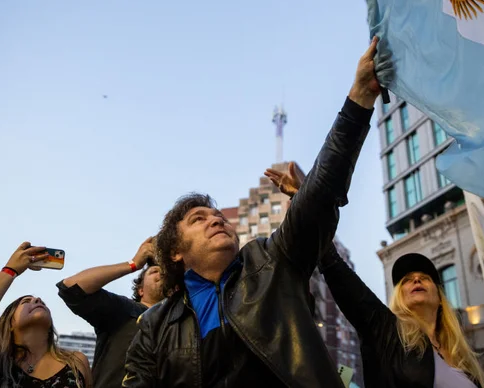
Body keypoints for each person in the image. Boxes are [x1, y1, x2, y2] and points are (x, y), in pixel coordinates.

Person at [123, 37, 381, 387]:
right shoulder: (155, 325)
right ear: (175, 251)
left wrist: (359, 100)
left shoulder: (272, 262)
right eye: (198, 219)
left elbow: (319, 198)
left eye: (219, 217)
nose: (216, 219)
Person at [267, 166, 484, 388]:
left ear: (440, 298)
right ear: (399, 296)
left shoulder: (464, 360)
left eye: (425, 277)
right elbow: (335, 268)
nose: (417, 280)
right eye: (407, 280)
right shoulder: (386, 332)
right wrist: (307, 205)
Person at [0, 242, 92, 388]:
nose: (37, 299)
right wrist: (11, 269)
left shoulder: (76, 362)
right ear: (9, 323)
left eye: (40, 301)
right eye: (26, 302)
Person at [57, 237, 164, 388]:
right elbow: (71, 287)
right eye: (154, 271)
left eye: (167, 273)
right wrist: (133, 264)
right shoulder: (124, 308)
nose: (162, 274)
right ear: (140, 289)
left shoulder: (184, 320)